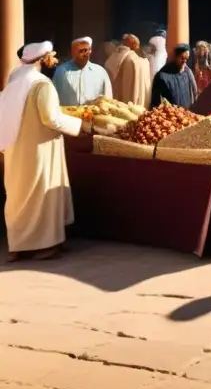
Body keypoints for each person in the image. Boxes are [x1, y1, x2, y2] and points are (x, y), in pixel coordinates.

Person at [0, 42, 90, 261]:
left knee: (18, 196)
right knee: (41, 194)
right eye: (52, 56)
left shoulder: (14, 80)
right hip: (40, 151)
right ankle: (44, 246)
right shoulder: (42, 84)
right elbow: (51, 118)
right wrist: (80, 126)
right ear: (42, 59)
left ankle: (17, 246)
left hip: (15, 150)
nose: (55, 60)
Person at [52, 37, 113, 107]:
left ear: (90, 50)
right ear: (73, 52)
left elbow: (108, 99)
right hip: (68, 116)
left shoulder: (100, 72)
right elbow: (53, 97)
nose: (85, 54)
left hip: (93, 116)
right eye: (81, 51)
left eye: (86, 50)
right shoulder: (61, 71)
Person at [106, 34, 151, 107]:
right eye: (135, 44)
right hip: (123, 90)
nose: (137, 46)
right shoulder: (124, 54)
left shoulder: (132, 56)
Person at [151, 44, 197, 109]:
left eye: (187, 58)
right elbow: (156, 102)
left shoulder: (187, 73)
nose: (184, 62)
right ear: (175, 57)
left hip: (186, 115)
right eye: (182, 58)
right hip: (171, 116)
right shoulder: (162, 76)